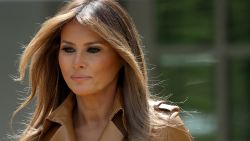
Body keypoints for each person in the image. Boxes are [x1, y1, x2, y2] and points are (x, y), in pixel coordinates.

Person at [12, 0, 193, 140]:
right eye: (68, 49)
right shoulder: (40, 137)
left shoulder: (164, 130)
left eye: (93, 49)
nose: (77, 63)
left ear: (121, 56)